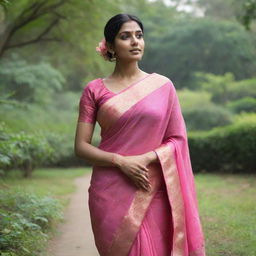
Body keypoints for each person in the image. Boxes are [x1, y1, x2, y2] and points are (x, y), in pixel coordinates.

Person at [74, 13, 206, 256]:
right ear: (111, 46)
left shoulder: (163, 86)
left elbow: (177, 139)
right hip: (110, 191)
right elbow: (81, 147)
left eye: (139, 36)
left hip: (151, 186)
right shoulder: (94, 90)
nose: (135, 41)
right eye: (126, 37)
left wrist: (146, 158)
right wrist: (122, 161)